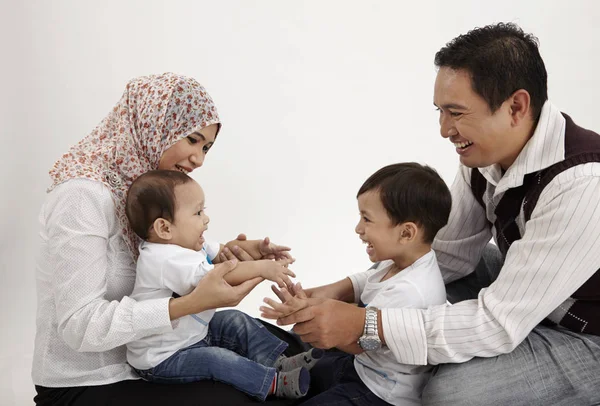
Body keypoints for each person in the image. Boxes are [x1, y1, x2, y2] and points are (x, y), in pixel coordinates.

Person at [275, 23, 600, 405]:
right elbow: (441, 256)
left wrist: (365, 324)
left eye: (456, 113)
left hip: (583, 330)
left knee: (450, 392)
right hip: (527, 292)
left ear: (516, 107)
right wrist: (351, 289)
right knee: (406, 283)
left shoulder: (583, 185)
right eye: (440, 112)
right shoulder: (482, 156)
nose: (445, 129)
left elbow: (497, 324)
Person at [32, 72, 304, 406]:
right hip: (93, 381)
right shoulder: (81, 197)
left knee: (291, 347)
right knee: (257, 393)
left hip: (170, 346)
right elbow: (79, 327)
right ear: (152, 124)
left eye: (206, 147)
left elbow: (170, 256)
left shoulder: (144, 189)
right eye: (192, 140)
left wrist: (226, 253)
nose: (199, 159)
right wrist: (188, 305)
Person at [261, 163, 451, 405]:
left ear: (406, 233)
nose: (358, 228)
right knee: (304, 372)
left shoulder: (410, 291)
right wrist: (323, 294)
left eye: (366, 219)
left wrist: (311, 316)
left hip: (379, 391)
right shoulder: (399, 260)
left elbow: (359, 342)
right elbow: (366, 280)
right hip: (358, 366)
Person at [125, 169, 323, 401]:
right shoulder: (162, 260)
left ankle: (278, 361)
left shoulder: (186, 243)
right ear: (165, 228)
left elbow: (222, 251)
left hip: (195, 332)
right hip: (163, 357)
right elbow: (220, 275)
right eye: (198, 212)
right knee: (215, 360)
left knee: (235, 320)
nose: (206, 219)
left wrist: (256, 248)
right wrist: (262, 269)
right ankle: (273, 382)